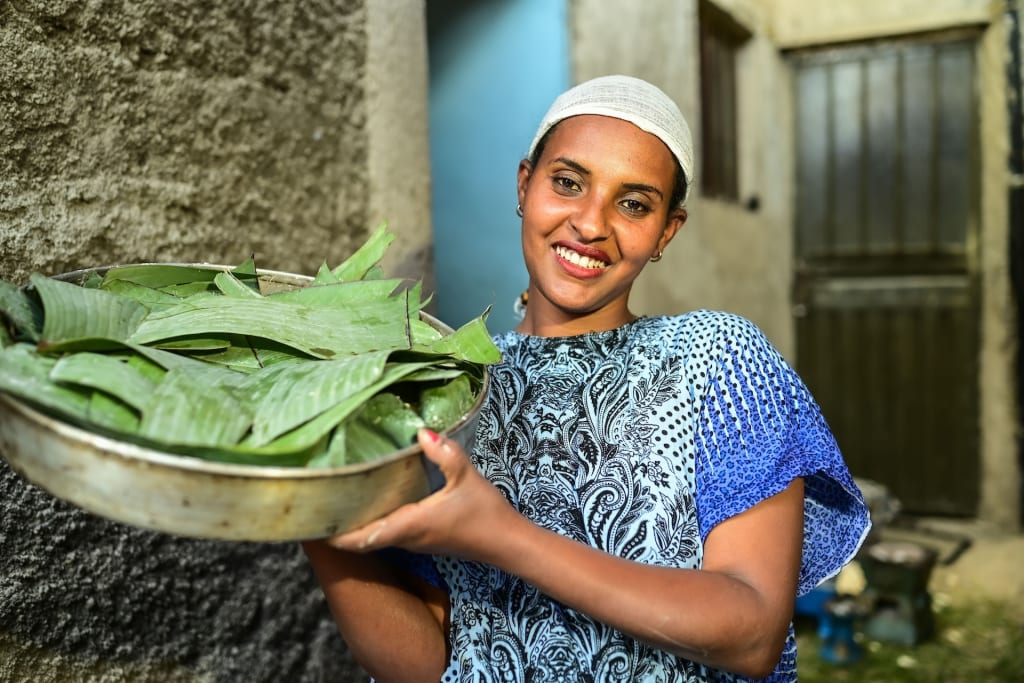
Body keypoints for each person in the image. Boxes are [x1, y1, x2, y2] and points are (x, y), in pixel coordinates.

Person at [302, 74, 871, 682]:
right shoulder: (455, 385)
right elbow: (434, 660)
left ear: (665, 232)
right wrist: (310, 505)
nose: (591, 223)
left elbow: (752, 631)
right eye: (568, 183)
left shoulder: (717, 360)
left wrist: (501, 536)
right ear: (525, 185)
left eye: (633, 203)